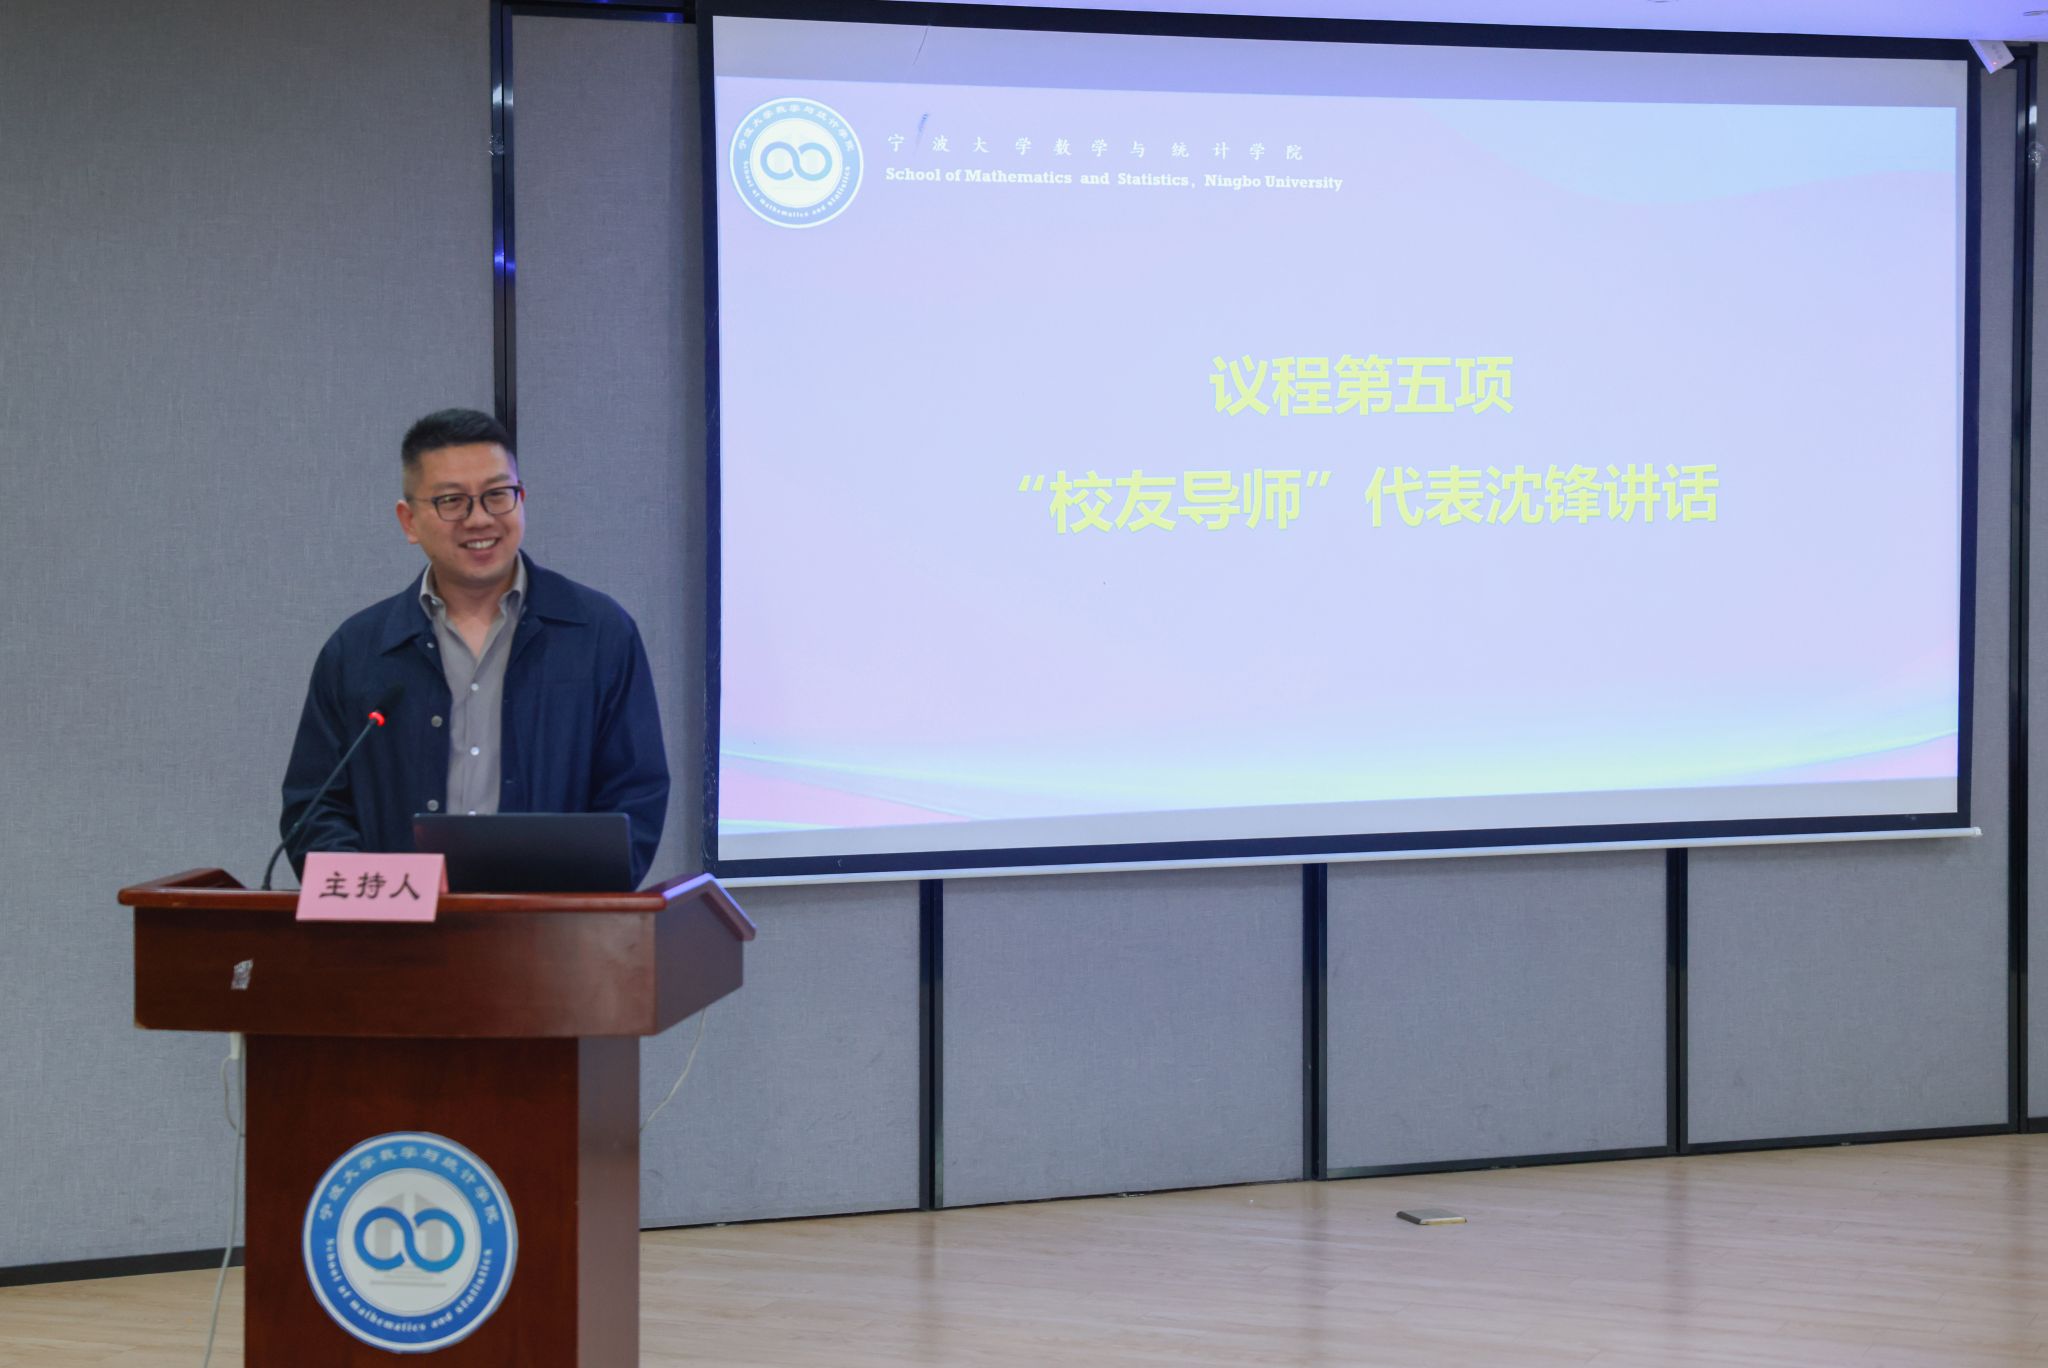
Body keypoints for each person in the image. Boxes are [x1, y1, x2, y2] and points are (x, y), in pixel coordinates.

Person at [280, 408, 668, 883]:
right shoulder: (358, 650)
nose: (479, 519)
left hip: (551, 923)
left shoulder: (599, 634)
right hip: (399, 923)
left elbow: (635, 799)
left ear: (522, 500)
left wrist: (563, 901)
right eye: (451, 501)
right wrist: (393, 899)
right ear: (409, 521)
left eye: (497, 495)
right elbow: (314, 811)